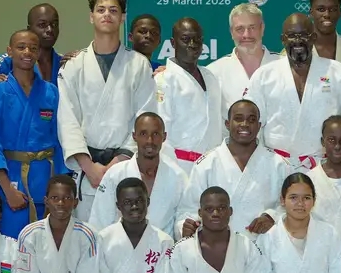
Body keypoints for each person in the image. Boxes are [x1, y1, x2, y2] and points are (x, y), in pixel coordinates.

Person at [58, 0, 156, 219]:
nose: (107, 14)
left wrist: (117, 163)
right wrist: (89, 167)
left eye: (113, 10)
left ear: (122, 18)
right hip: (87, 171)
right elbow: (67, 120)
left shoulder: (139, 65)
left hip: (125, 165)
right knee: (88, 236)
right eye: (100, 9)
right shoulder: (74, 66)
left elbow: (144, 117)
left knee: (127, 232)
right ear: (91, 16)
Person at [244, 13, 341, 172]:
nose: (298, 40)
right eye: (291, 36)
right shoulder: (264, 76)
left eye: (304, 35)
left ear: (313, 38)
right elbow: (250, 126)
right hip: (275, 168)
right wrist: (254, 168)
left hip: (324, 168)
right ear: (283, 39)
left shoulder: (337, 72)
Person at [0, 30, 64, 238]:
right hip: (13, 180)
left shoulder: (50, 92)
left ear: (38, 53)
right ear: (9, 51)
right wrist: (7, 189)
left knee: (48, 243)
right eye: (21, 47)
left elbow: (60, 140)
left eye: (33, 48)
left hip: (47, 179)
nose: (27, 52)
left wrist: (61, 185)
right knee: (13, 243)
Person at [177, 100, 289, 239]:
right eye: (238, 119)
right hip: (217, 246)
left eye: (251, 120)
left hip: (264, 246)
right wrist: (187, 226)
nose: (245, 124)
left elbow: (292, 206)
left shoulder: (278, 164)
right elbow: (188, 210)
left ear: (259, 126)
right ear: (227, 124)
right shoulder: (206, 164)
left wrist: (272, 217)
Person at [87, 112, 187, 232]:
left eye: (155, 134)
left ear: (164, 137)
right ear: (134, 136)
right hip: (119, 242)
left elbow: (183, 216)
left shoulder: (178, 176)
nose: (150, 140)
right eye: (143, 134)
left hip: (162, 243)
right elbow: (99, 220)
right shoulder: (115, 174)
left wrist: (183, 228)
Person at [152, 17, 223, 173]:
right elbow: (160, 131)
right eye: (185, 39)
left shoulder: (210, 77)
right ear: (173, 43)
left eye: (197, 39)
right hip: (179, 166)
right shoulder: (164, 80)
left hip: (213, 165)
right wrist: (171, 171)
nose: (192, 44)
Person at [206, 3, 282, 116]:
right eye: (240, 29)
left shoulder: (283, 66)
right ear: (231, 32)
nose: (246, 35)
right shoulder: (214, 72)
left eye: (252, 28)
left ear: (262, 29)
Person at [0, 3, 62, 85]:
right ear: (29, 29)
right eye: (42, 25)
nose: (50, 29)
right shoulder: (9, 60)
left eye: (54, 24)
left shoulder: (63, 62)